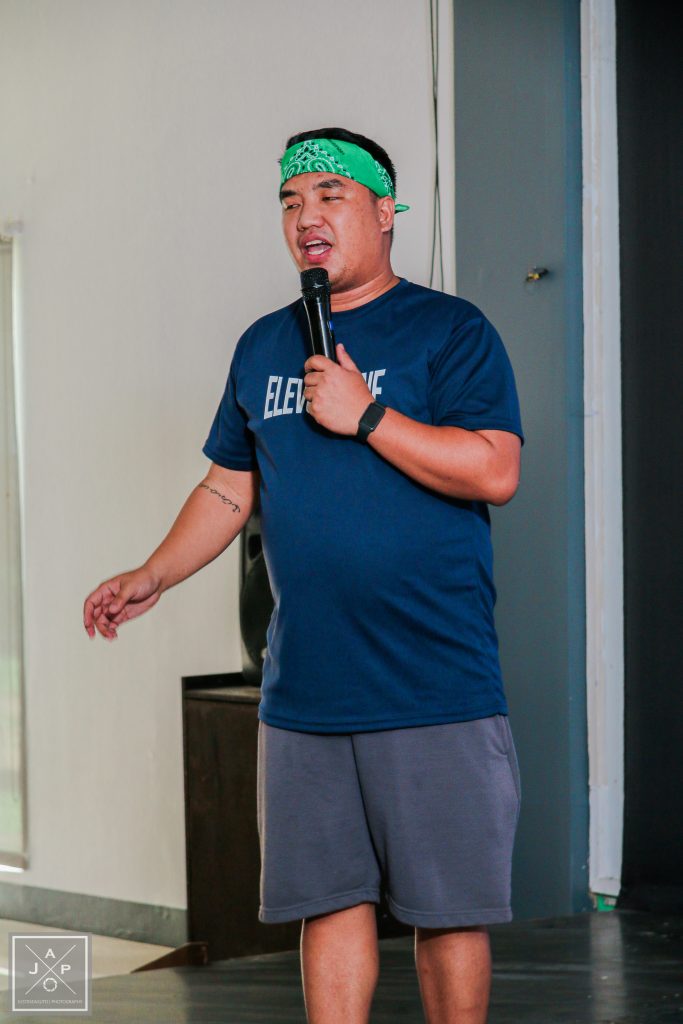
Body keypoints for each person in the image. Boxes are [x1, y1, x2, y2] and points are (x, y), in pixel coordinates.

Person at [83, 126, 524, 1024]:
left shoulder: (451, 330)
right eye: (290, 200)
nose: (304, 215)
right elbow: (226, 489)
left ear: (384, 211)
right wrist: (153, 573)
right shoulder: (262, 346)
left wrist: (367, 414)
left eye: (329, 194)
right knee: (327, 903)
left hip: (432, 680)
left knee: (448, 911)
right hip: (307, 689)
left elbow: (494, 470)